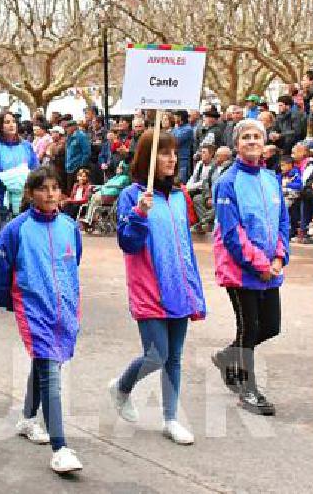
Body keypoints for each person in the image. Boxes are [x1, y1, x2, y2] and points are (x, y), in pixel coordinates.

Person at [109, 130, 207, 445]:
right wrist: (139, 213)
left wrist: (194, 287)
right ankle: (122, 387)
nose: (171, 158)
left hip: (179, 286)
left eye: (173, 152)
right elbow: (127, 243)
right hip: (149, 287)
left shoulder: (179, 195)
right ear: (148, 158)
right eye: (163, 153)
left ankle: (171, 419)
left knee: (174, 357)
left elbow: (186, 246)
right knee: (156, 355)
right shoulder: (132, 195)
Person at [0, 165, 84, 474]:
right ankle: (60, 447)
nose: (50, 194)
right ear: (30, 193)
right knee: (50, 373)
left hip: (65, 308)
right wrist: (9, 301)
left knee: (45, 364)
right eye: (43, 189)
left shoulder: (70, 226)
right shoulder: (15, 230)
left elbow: (74, 262)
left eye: (55, 188)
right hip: (33, 310)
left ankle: (28, 419)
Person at [210, 118, 289, 416]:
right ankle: (247, 389)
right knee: (249, 326)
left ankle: (228, 356)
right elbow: (232, 233)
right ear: (236, 144)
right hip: (241, 270)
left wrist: (279, 257)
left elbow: (282, 221)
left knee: (271, 326)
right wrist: (259, 264)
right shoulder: (228, 182)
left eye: (257, 136)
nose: (253, 141)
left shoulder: (271, 179)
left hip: (271, 268)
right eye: (246, 137)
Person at [0, 111, 39, 218]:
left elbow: (35, 168)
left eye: (13, 122)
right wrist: (9, 184)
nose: (11, 125)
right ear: (0, 126)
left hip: (25, 196)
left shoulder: (26, 145)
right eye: (7, 122)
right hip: (2, 196)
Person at [185, 144, 217, 232]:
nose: (201, 154)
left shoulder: (214, 166)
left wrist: (190, 187)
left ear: (211, 154)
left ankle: (205, 224)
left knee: (197, 199)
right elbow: (193, 177)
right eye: (201, 152)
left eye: (204, 152)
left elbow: (204, 182)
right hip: (196, 189)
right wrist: (187, 187)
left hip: (208, 191)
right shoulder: (200, 164)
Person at [63, 119, 92, 190]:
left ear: (73, 127)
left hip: (77, 168)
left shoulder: (81, 136)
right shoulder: (69, 137)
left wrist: (81, 166)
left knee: (78, 190)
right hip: (69, 167)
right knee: (70, 189)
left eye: (67, 127)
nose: (66, 129)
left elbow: (87, 152)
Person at [171, 111, 195, 182]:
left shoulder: (188, 129)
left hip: (183, 160)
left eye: (176, 117)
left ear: (181, 118)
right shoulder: (176, 128)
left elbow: (175, 140)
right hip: (175, 158)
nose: (175, 119)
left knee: (181, 181)